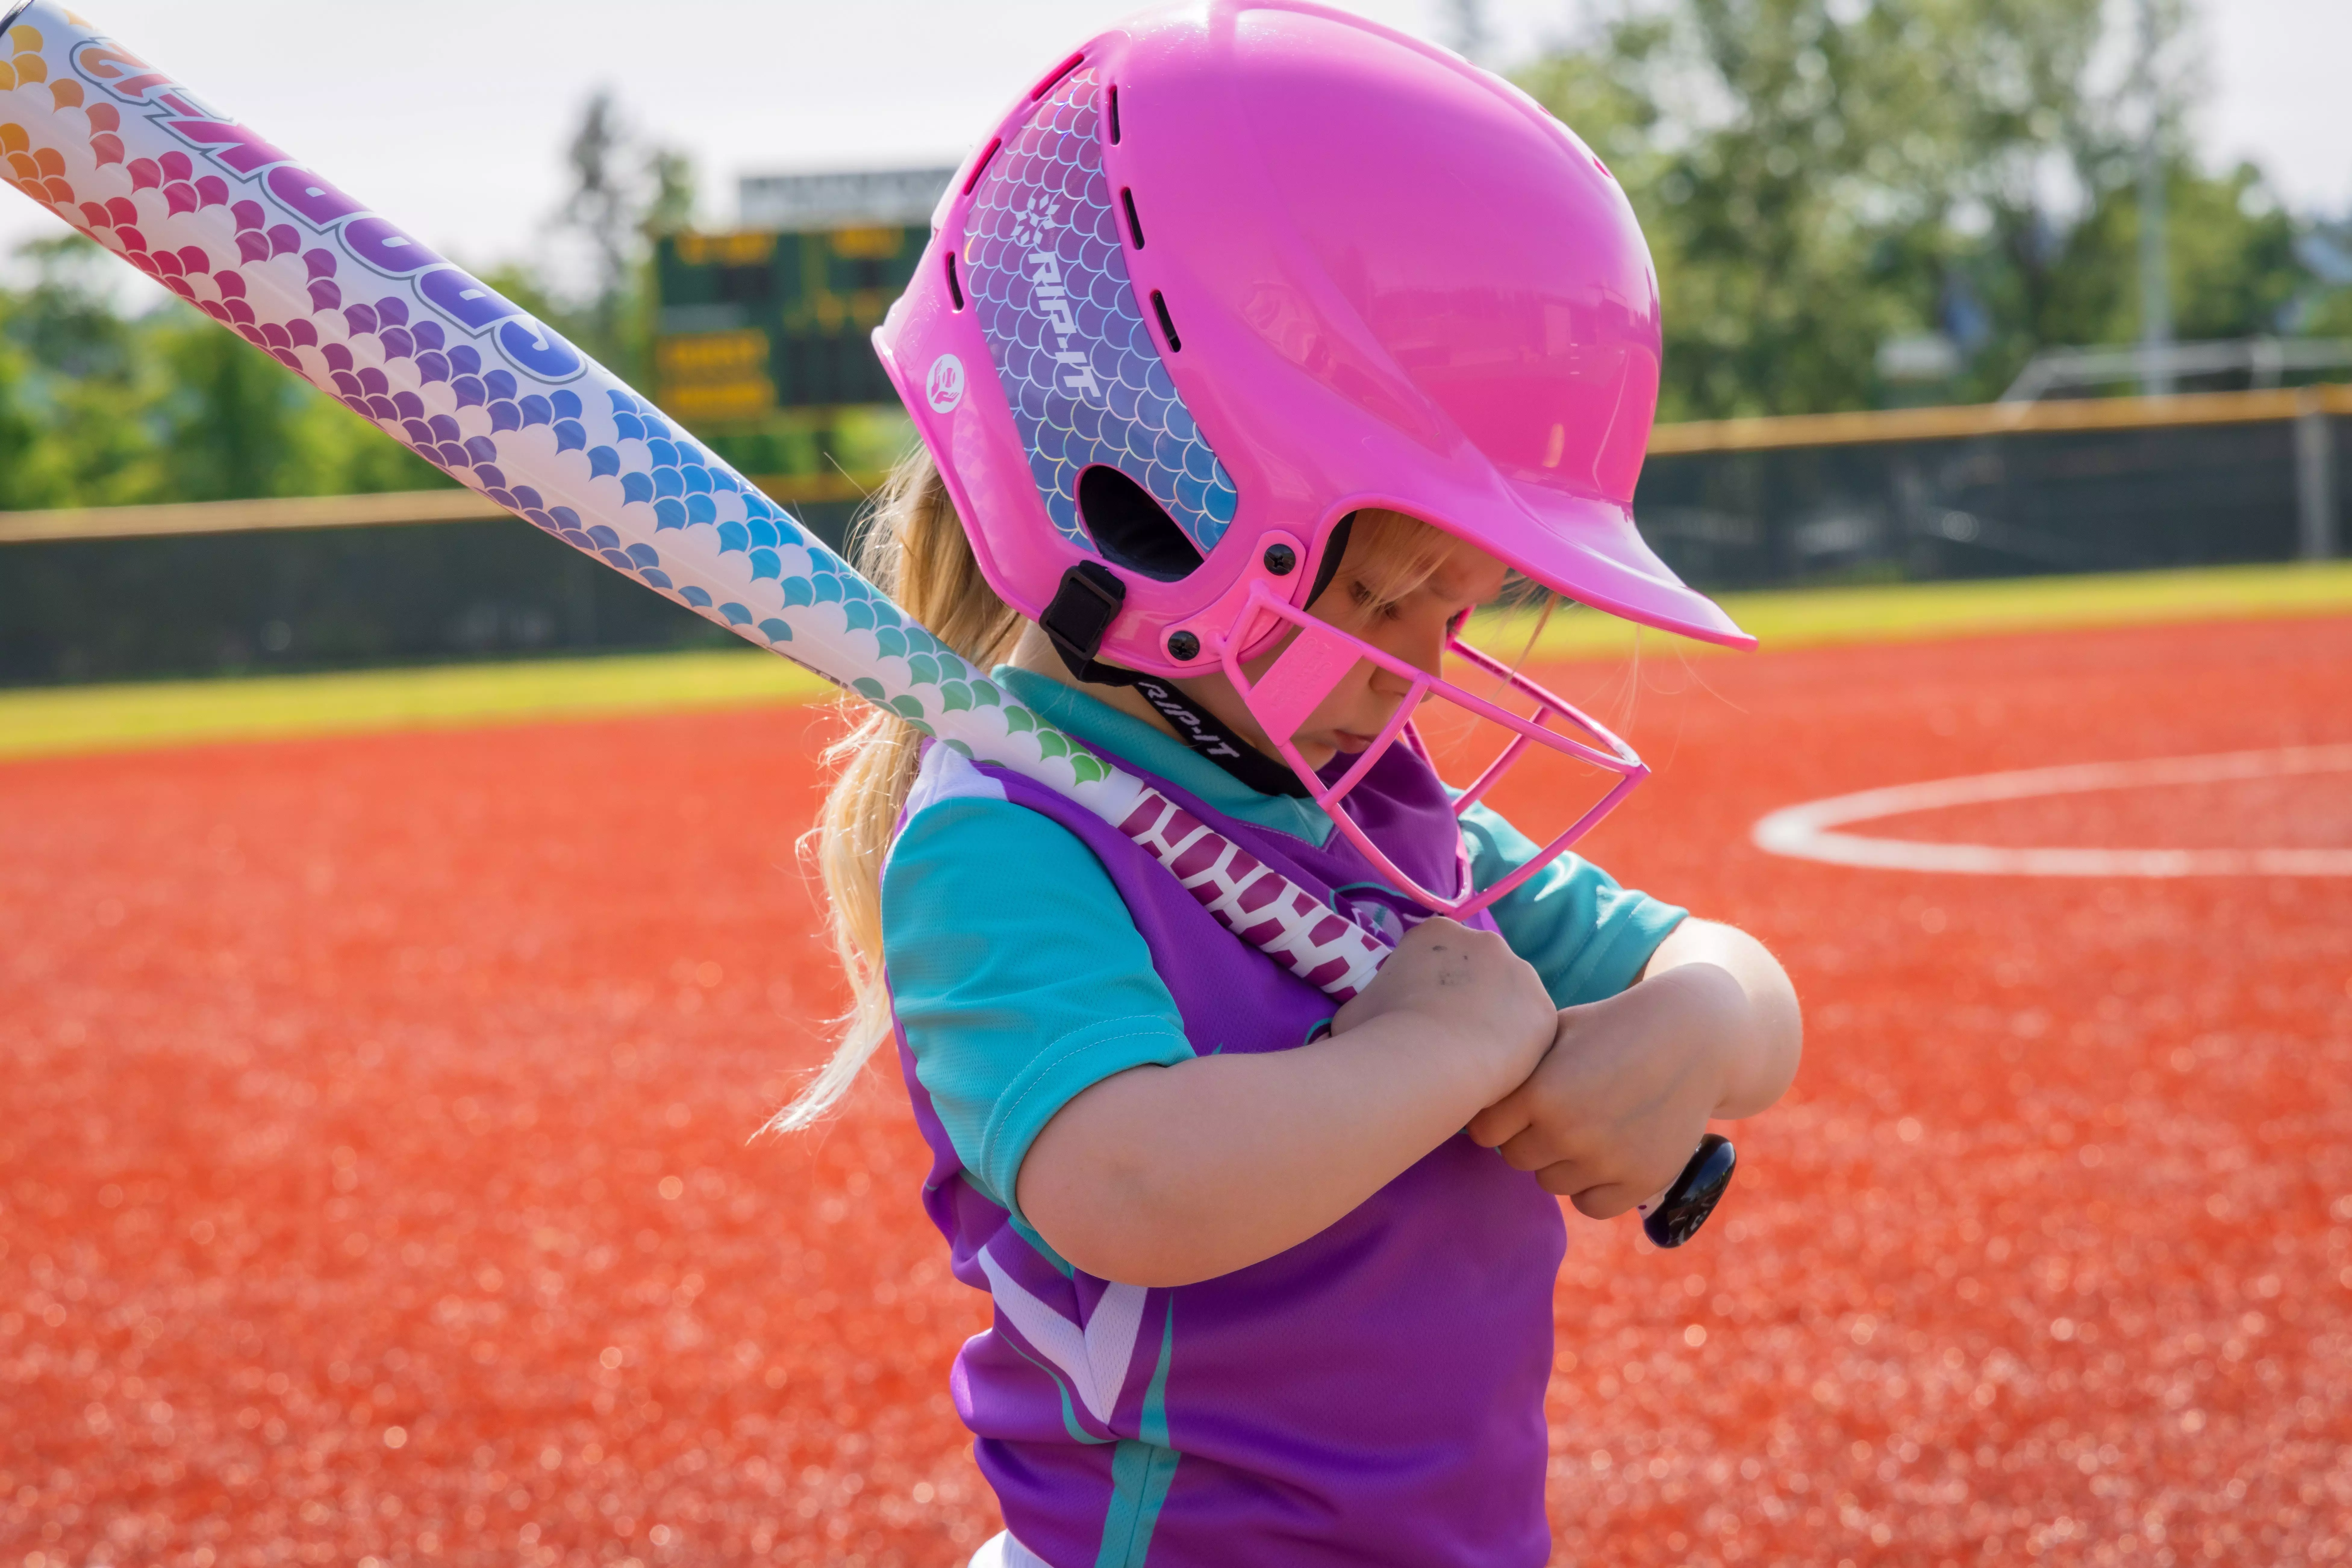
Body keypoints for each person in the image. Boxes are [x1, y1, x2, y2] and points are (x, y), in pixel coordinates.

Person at [774, 5, 1801, 1563]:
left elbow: (1740, 992)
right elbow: (1130, 1183)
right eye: (1390, 599)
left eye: (1462, 611)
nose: (1425, 668)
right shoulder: (1004, 842)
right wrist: (1434, 1052)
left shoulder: (1380, 809)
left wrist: (1696, 1021)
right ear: (1148, 498)